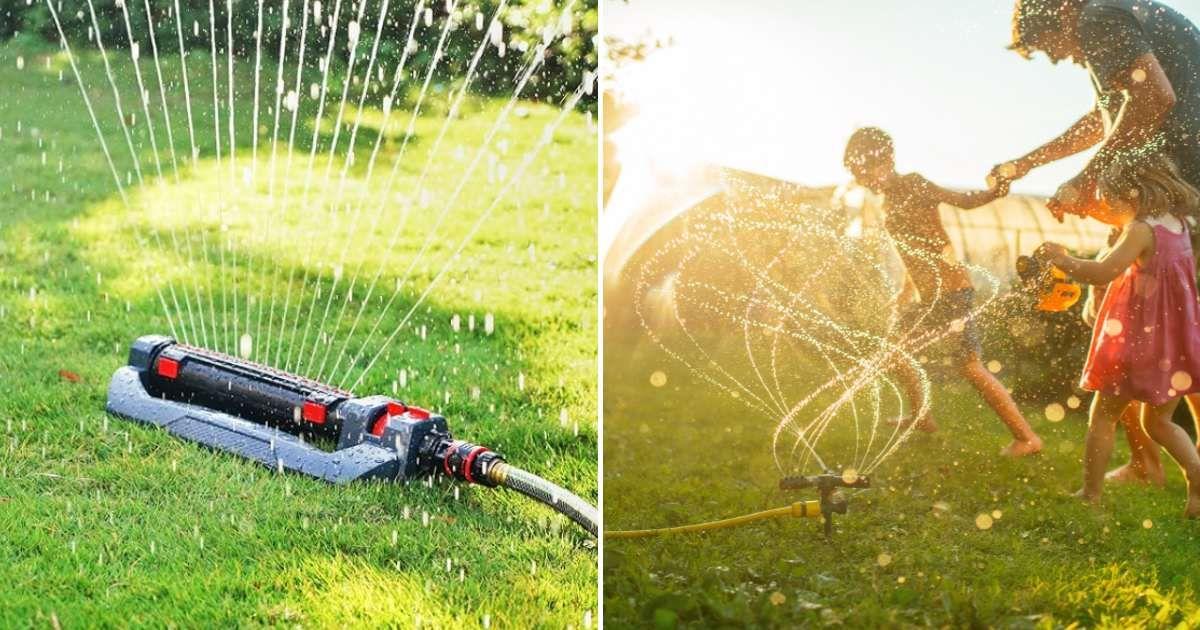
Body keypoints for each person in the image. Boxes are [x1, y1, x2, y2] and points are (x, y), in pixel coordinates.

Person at [844, 127, 1044, 457]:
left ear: (886, 160)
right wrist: (907, 289)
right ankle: (921, 417)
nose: (863, 178)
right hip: (928, 297)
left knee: (969, 366)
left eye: (866, 170)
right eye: (857, 173)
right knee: (896, 350)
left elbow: (964, 202)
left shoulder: (914, 183)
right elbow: (914, 248)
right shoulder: (885, 200)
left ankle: (1027, 438)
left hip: (952, 292)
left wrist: (996, 190)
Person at [1036, 151, 1200, 515]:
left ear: (1134, 194)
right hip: (1174, 345)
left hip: (1139, 343)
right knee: (1159, 421)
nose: (1109, 204)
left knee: (1103, 416)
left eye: (1112, 197)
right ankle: (1197, 478)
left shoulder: (1141, 230)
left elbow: (1102, 272)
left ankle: (1090, 495)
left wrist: (1063, 259)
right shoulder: (1178, 224)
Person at [992, 0, 1200, 220]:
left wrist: (1088, 178)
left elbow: (1154, 98)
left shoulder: (1098, 18)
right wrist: (1024, 164)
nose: (1055, 59)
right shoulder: (1121, 11)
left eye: (1047, 46)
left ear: (1064, 13)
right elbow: (1100, 121)